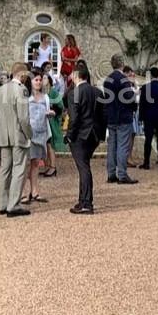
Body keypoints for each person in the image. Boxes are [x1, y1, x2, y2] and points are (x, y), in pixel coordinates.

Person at [0, 62, 33, 217]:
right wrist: (29, 133)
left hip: (3, 135)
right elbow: (23, 117)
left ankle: (2, 204)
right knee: (19, 169)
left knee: (5, 169)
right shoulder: (21, 90)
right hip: (18, 135)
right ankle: (13, 205)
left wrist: (1, 127)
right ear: (22, 74)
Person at [65, 61, 99, 214]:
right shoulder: (98, 92)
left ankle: (86, 203)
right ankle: (83, 200)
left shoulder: (74, 93)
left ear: (76, 75)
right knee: (84, 166)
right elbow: (103, 115)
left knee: (83, 168)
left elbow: (74, 118)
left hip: (80, 135)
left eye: (72, 73)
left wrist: (69, 136)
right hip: (94, 135)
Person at [103, 54, 138, 184]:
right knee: (123, 146)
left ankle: (111, 174)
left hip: (111, 117)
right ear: (122, 64)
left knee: (112, 146)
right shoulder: (123, 78)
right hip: (123, 116)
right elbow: (129, 97)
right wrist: (135, 105)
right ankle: (122, 175)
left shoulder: (108, 79)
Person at [22, 71, 53, 205]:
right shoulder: (25, 97)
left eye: (40, 80)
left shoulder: (45, 97)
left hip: (41, 133)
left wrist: (49, 113)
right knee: (26, 164)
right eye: (36, 80)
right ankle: (23, 193)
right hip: (29, 134)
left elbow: (47, 110)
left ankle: (35, 191)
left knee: (35, 163)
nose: (39, 82)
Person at [41, 62, 64, 177]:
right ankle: (47, 165)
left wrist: (53, 111)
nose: (42, 80)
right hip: (43, 122)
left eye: (44, 78)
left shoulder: (53, 92)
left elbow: (60, 106)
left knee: (50, 145)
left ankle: (53, 167)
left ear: (49, 81)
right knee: (45, 145)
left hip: (52, 121)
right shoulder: (40, 93)